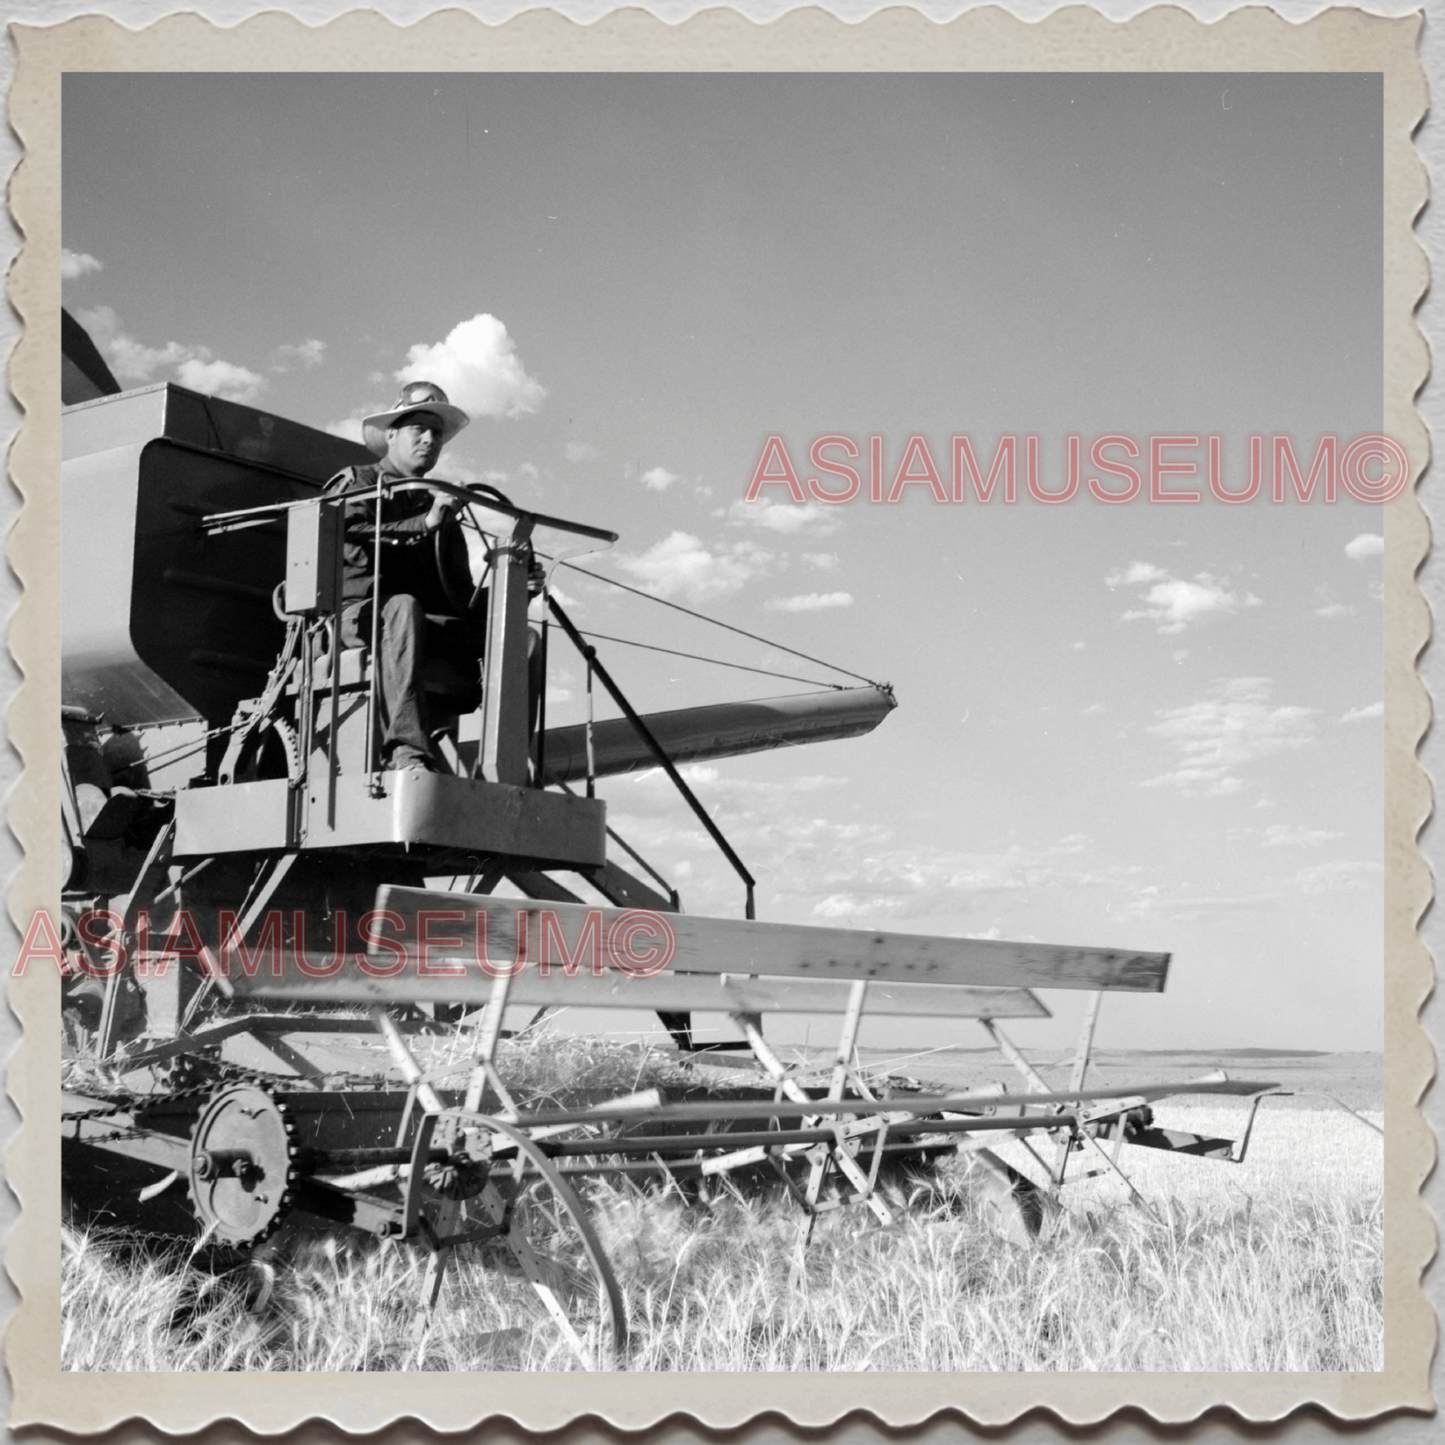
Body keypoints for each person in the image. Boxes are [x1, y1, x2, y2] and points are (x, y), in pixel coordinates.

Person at [323, 381, 477, 772]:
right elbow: (347, 536)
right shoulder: (356, 483)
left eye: (437, 433)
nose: (429, 439)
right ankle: (405, 751)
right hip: (354, 616)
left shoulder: (437, 501)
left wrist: (518, 587)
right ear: (391, 434)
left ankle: (508, 763)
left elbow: (460, 592)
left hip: (416, 621)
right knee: (403, 606)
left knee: (518, 634)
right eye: (418, 429)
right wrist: (425, 523)